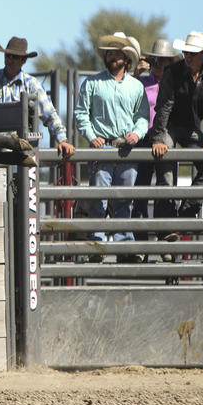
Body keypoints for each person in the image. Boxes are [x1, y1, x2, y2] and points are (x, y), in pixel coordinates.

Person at [74, 33, 149, 262]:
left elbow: (143, 116)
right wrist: (91, 135)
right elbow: (80, 114)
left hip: (127, 148)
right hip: (102, 147)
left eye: (118, 53)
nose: (113, 56)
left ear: (126, 59)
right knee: (99, 198)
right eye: (110, 53)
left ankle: (124, 247)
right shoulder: (91, 83)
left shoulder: (136, 87)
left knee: (124, 199)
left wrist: (137, 133)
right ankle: (97, 246)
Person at [150, 31, 203, 240]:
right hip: (170, 125)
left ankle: (185, 214)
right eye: (186, 51)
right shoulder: (173, 72)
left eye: (193, 52)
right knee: (165, 169)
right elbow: (163, 107)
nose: (188, 55)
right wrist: (158, 138)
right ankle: (167, 227)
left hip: (190, 128)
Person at [0, 37, 75, 159]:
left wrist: (62, 140)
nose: (10, 59)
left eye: (15, 57)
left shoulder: (32, 85)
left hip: (19, 154)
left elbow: (50, 115)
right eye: (8, 55)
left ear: (24, 60)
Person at [128, 40, 179, 262]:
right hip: (144, 139)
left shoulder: (176, 83)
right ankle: (140, 245)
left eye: (162, 61)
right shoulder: (140, 82)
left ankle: (165, 240)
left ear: (170, 63)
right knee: (141, 191)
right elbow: (123, 99)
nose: (157, 64)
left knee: (165, 189)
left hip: (166, 141)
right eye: (154, 60)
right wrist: (134, 74)